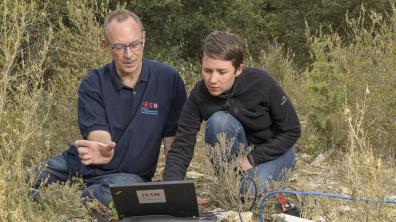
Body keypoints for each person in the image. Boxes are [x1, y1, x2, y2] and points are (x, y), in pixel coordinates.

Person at [33, 9, 187, 207]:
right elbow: (97, 133)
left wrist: (176, 192)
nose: (129, 54)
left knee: (125, 195)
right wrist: (104, 149)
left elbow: (173, 140)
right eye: (119, 47)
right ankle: (42, 196)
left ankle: (60, 199)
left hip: (128, 177)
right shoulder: (93, 82)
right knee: (18, 181)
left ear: (144, 39)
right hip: (78, 163)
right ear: (106, 45)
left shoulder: (168, 79)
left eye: (134, 44)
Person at [163, 31, 300, 194]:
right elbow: (182, 144)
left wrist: (252, 159)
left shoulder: (262, 83)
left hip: (275, 153)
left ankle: (246, 185)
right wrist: (170, 191)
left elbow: (292, 130)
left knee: (248, 190)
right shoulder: (198, 95)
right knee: (218, 121)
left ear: (238, 69)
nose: (212, 80)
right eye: (207, 70)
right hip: (233, 164)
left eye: (221, 72)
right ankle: (233, 181)